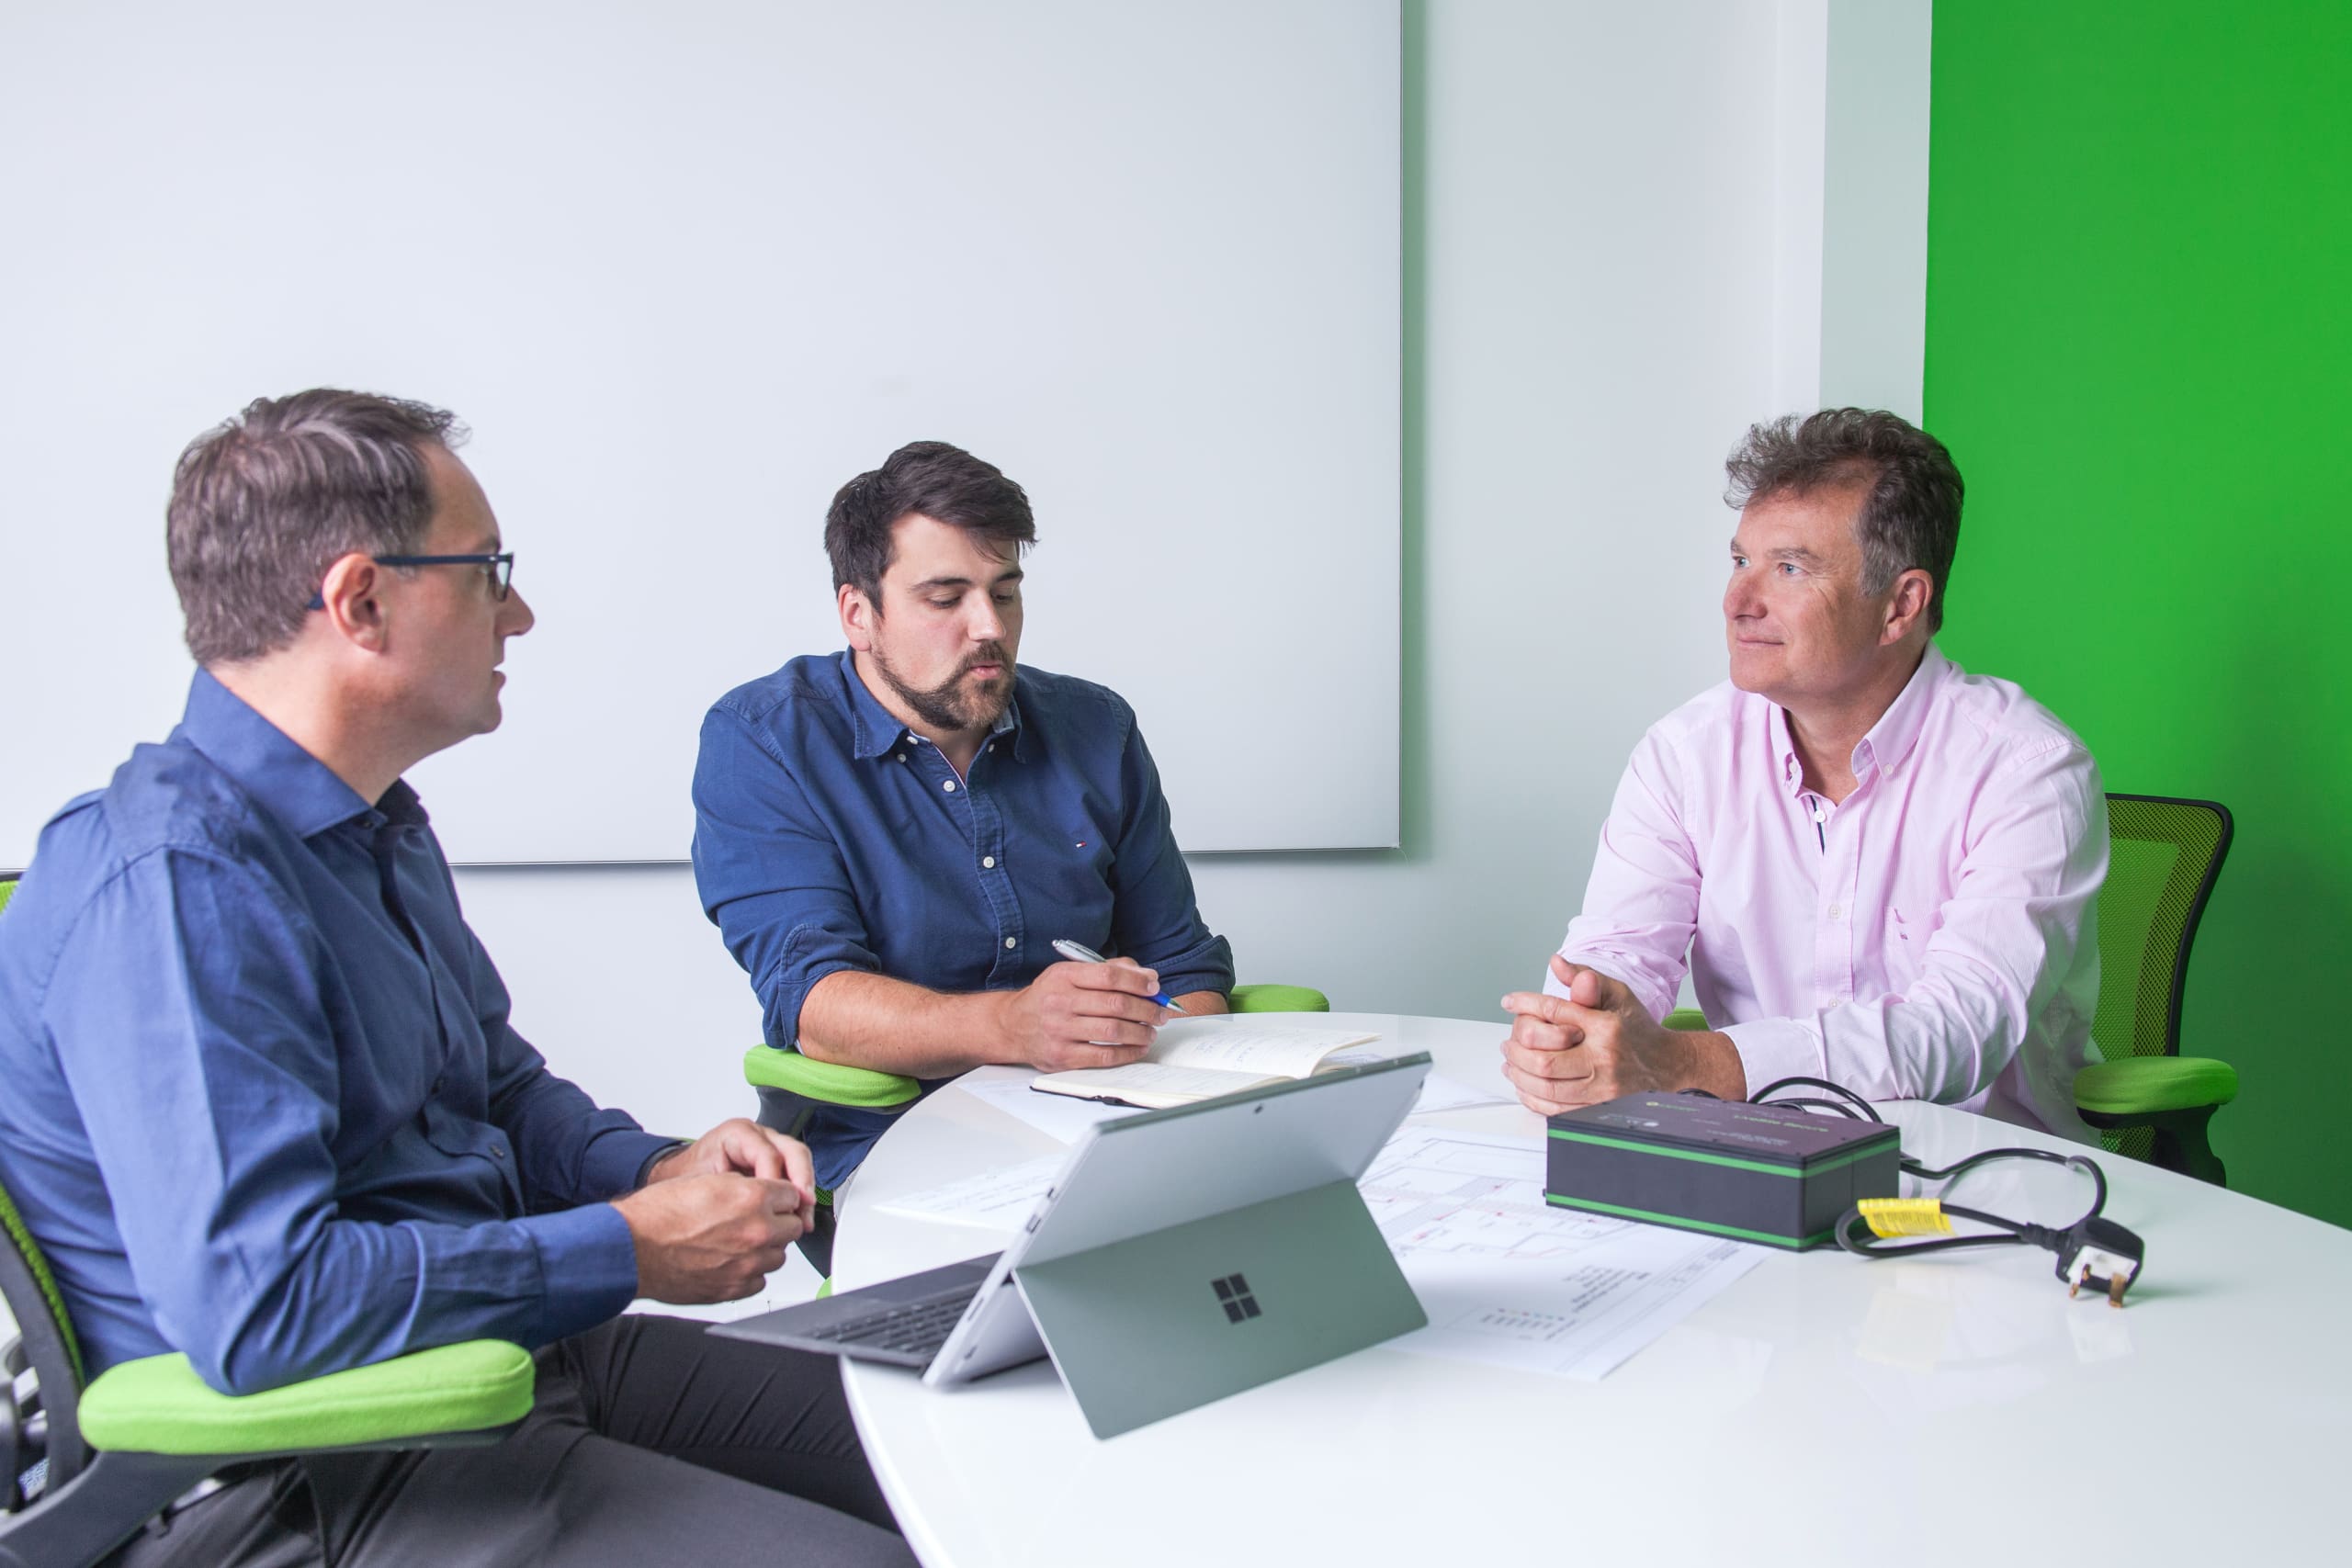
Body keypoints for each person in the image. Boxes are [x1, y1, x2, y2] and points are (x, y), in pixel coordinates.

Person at [0, 391, 914, 1567]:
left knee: (956, 1441)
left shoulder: (374, 826)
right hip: (318, 1463)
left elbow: (497, 1093)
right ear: (360, 601)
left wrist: (660, 1170)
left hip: (507, 1360)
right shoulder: (176, 885)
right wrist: (628, 1244)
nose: (518, 612)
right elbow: (265, 1310)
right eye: (488, 570)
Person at [1501, 408, 2105, 1136]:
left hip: (1983, 1183)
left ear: (1900, 605)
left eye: (1789, 568)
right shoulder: (1685, 754)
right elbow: (1616, 949)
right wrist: (1578, 1029)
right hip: (1754, 1162)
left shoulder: (2028, 771)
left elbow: (1954, 1028)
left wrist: (1693, 1064)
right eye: (1739, 561)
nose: (1737, 603)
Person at [692, 440, 1235, 1203]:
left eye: (1004, 592)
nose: (988, 627)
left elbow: (1183, 967)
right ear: (859, 614)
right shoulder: (765, 739)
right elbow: (814, 1003)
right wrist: (1013, 1025)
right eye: (946, 599)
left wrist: (1160, 1059)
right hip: (889, 1147)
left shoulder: (1096, 725)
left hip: (1101, 1126)